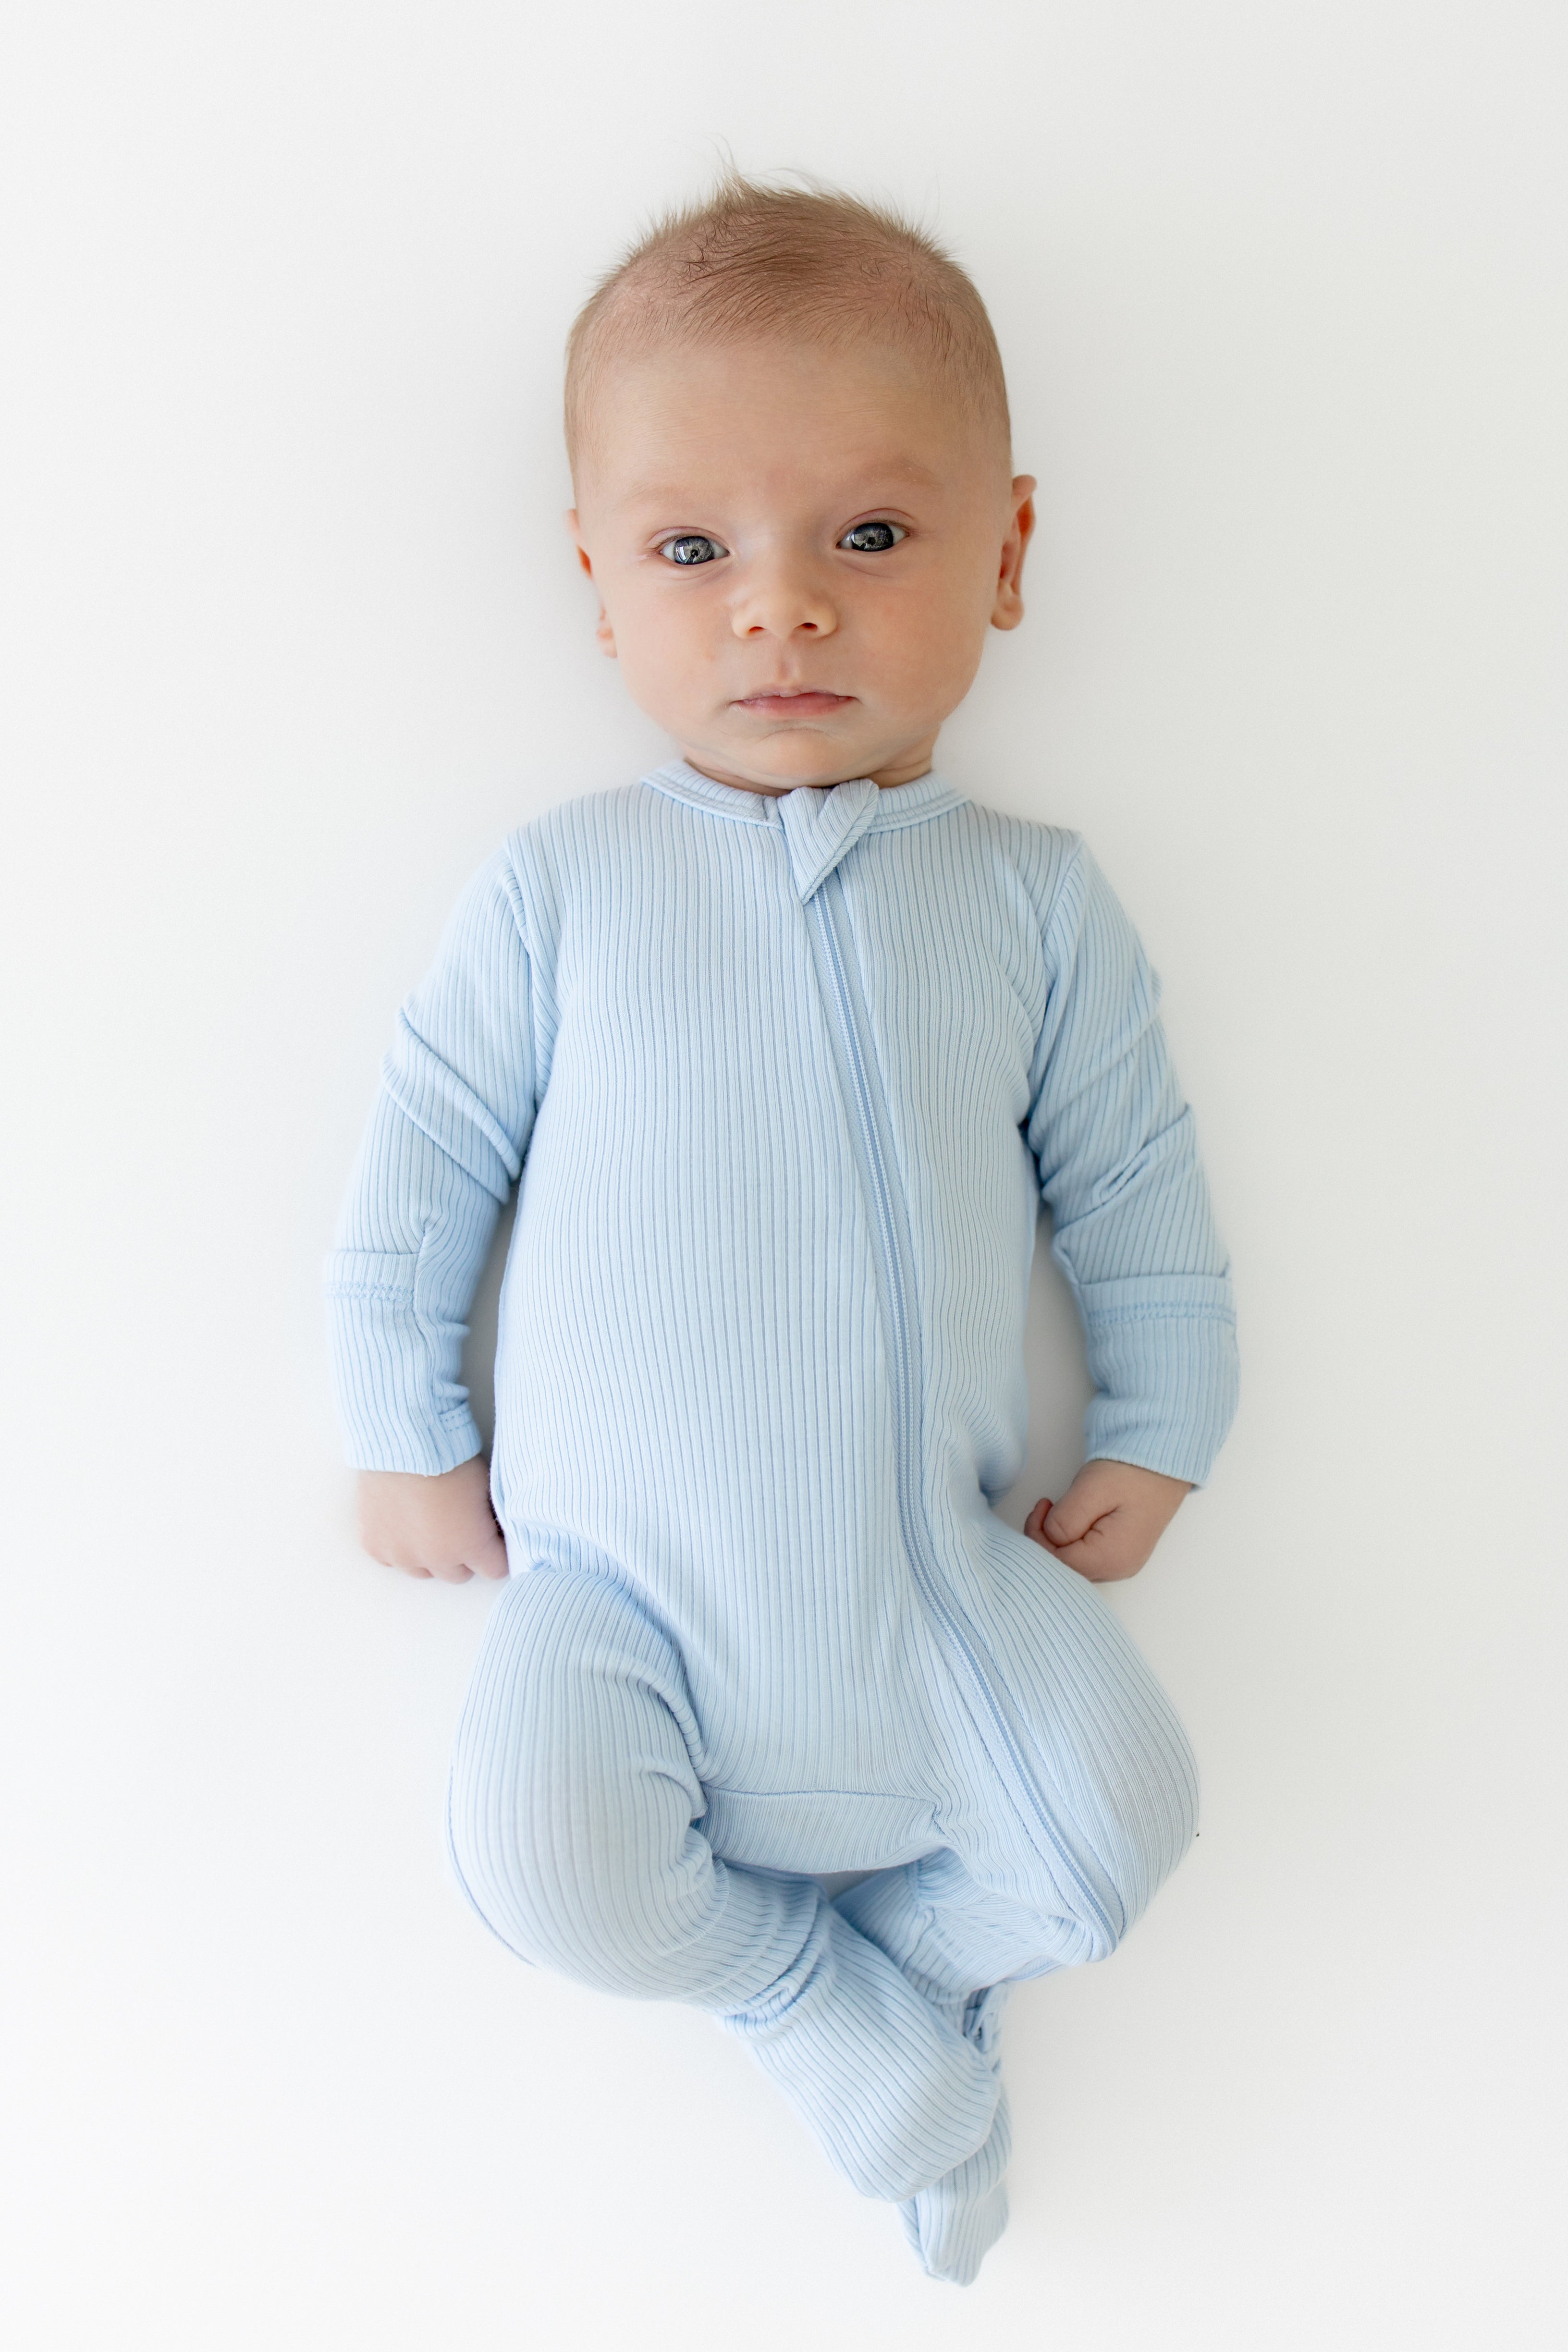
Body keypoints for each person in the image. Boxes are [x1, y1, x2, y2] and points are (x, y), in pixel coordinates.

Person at [325, 172, 1238, 2286]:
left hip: (939, 1586)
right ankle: (805, 2002)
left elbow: (1131, 1176)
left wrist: (1168, 1417)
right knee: (543, 1858)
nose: (781, 609)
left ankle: (905, 1975)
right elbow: (426, 1158)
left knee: (1124, 1836)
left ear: (1007, 557)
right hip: (612, 1595)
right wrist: (399, 1422)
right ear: (596, 585)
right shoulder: (565, 888)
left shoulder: (1028, 899)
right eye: (690, 552)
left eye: (872, 537)